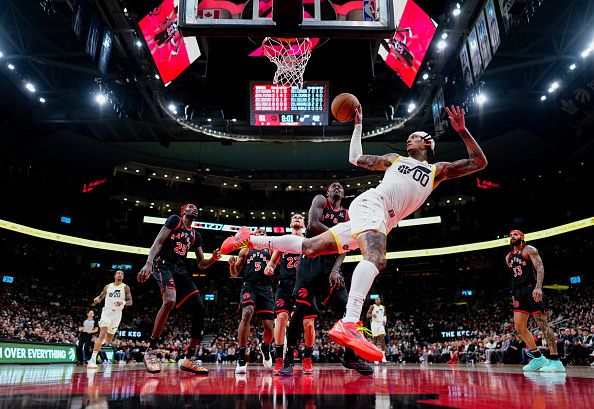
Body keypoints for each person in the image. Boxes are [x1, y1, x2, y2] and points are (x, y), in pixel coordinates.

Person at [221, 105, 487, 361]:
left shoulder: (436, 170)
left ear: (428, 144)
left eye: (415, 136)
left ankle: (250, 239)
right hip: (375, 206)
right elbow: (355, 158)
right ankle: (350, 322)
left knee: (311, 247)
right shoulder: (395, 160)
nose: (410, 138)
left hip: (377, 216)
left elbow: (478, 162)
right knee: (376, 259)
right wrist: (358, 125)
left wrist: (462, 131)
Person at [276, 183, 373, 376]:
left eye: (340, 187)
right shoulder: (321, 201)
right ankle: (288, 359)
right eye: (333, 186)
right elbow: (312, 224)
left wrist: (336, 270)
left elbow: (346, 246)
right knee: (301, 309)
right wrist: (339, 235)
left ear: (344, 194)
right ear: (328, 192)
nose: (337, 187)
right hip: (310, 262)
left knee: (348, 309)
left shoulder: (347, 215)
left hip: (331, 266)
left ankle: (351, 356)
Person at [137, 203, 221, 374]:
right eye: (190, 208)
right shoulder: (175, 220)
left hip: (180, 270)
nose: (194, 209)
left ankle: (189, 358)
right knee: (169, 301)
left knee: (199, 307)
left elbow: (201, 264)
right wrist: (148, 263)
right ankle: (150, 351)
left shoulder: (196, 235)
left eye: (196, 208)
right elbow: (158, 242)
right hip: (163, 264)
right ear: (183, 212)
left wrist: (212, 259)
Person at [506, 229, 565, 372]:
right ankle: (538, 358)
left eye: (515, 234)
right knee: (519, 327)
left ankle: (555, 360)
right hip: (519, 293)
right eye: (510, 235)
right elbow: (514, 277)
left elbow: (540, 267)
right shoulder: (508, 257)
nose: (512, 237)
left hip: (532, 289)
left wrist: (538, 287)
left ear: (522, 237)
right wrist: (514, 294)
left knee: (542, 324)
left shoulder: (529, 249)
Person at [228, 229, 275, 374]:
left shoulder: (272, 249)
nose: (260, 233)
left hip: (266, 288)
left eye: (263, 233)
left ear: (266, 237)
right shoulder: (245, 249)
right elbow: (235, 273)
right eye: (258, 232)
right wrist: (231, 265)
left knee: (268, 326)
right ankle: (241, 356)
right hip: (249, 285)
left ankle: (266, 347)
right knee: (247, 313)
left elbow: (277, 265)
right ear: (253, 235)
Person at [264, 214, 305, 375]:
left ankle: (299, 357)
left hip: (303, 284)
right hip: (285, 283)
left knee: (304, 322)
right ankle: (279, 360)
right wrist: (270, 267)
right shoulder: (284, 240)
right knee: (280, 318)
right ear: (290, 223)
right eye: (293, 217)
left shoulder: (308, 239)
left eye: (300, 217)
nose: (296, 218)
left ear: (304, 223)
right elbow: (273, 261)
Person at [87, 270, 132, 369]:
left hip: (117, 314)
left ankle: (102, 341)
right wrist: (97, 299)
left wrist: (122, 302)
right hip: (106, 312)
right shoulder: (108, 286)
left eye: (122, 274)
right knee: (102, 334)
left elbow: (130, 301)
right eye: (118, 273)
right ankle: (92, 359)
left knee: (109, 338)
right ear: (114, 275)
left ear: (123, 277)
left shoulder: (125, 287)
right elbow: (100, 297)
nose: (120, 274)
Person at [366, 297, 387, 363]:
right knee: (375, 340)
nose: (377, 300)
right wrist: (372, 314)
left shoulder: (383, 307)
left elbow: (384, 315)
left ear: (380, 301)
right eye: (376, 299)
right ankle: (375, 357)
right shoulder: (372, 306)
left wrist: (385, 321)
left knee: (383, 338)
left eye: (379, 299)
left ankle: (383, 356)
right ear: (375, 301)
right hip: (374, 324)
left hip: (381, 324)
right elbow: (367, 315)